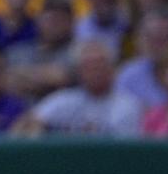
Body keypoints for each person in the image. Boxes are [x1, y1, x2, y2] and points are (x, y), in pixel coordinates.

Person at [12, 40, 142, 136]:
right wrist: (33, 127)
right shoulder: (65, 99)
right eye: (88, 66)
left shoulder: (127, 105)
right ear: (79, 71)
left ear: (111, 69)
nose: (95, 71)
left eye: (99, 65)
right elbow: (27, 123)